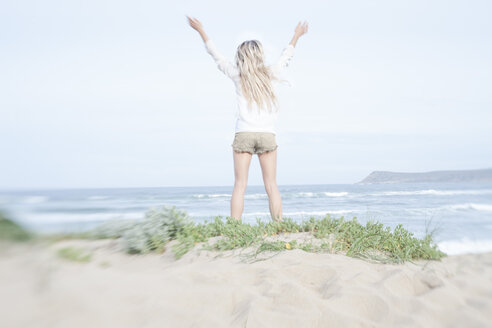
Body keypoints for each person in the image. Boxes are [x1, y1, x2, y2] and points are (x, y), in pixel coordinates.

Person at [187, 16, 308, 222]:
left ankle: (235, 229)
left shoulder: (237, 75)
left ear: (241, 57)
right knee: (271, 185)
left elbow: (216, 56)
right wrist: (297, 35)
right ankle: (278, 226)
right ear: (259, 56)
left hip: (244, 133)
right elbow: (286, 55)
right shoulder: (272, 73)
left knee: (240, 185)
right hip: (267, 134)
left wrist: (201, 30)